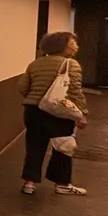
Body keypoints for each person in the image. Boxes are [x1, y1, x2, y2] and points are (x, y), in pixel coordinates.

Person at [18, 31, 89, 196]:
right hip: (59, 112)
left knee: (34, 146)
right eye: (73, 43)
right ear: (63, 46)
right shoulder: (71, 64)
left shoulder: (35, 64)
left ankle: (29, 183)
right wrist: (81, 114)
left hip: (33, 111)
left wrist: (35, 97)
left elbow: (22, 87)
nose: (76, 46)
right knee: (64, 147)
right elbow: (75, 91)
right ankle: (62, 183)